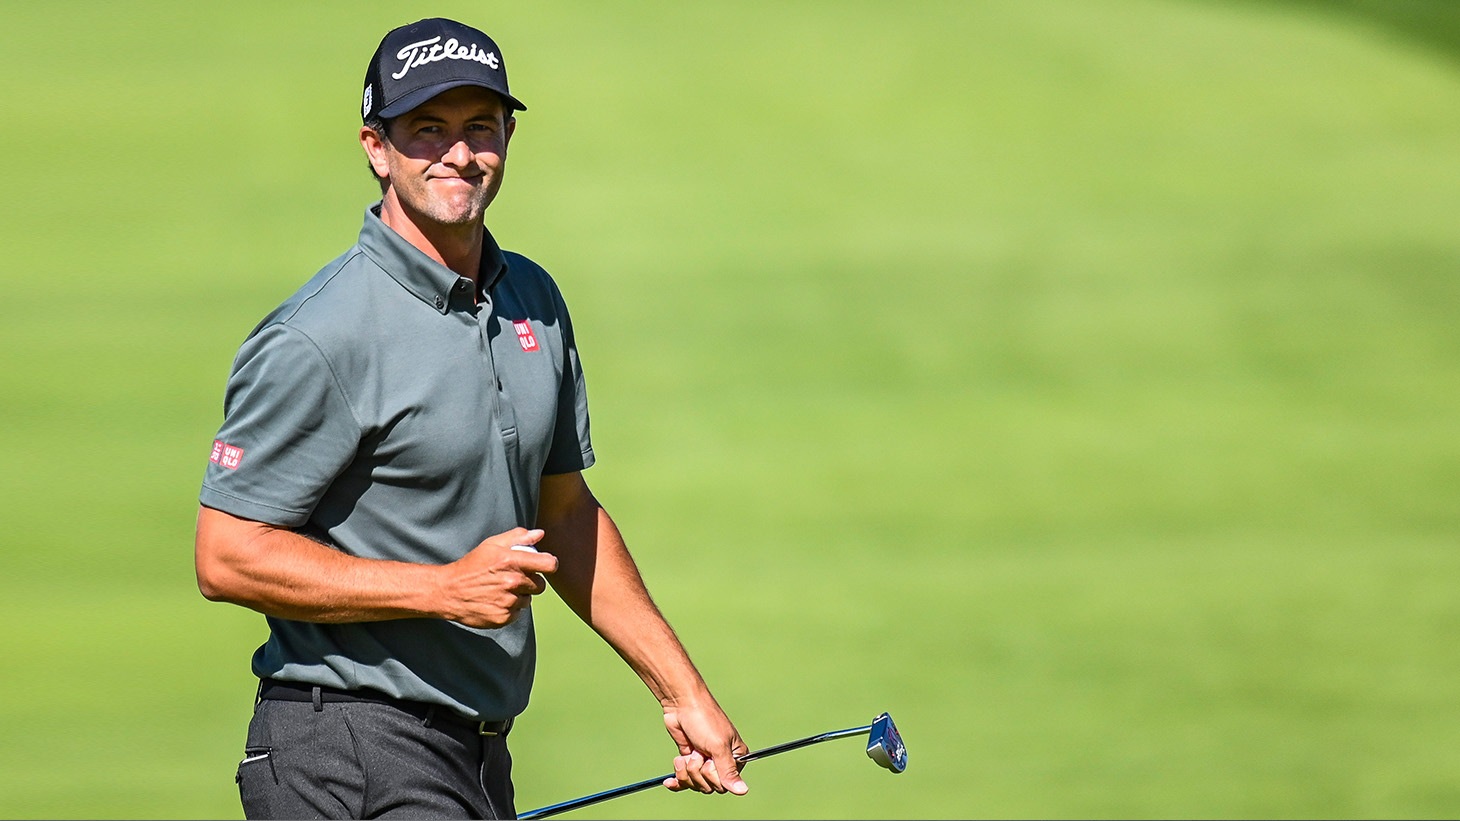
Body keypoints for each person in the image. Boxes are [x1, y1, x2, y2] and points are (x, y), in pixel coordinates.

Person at [194, 17, 748, 819]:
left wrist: (684, 693)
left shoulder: (533, 301)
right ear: (376, 147)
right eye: (427, 130)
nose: (460, 153)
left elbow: (564, 514)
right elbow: (226, 556)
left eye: (479, 127)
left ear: (508, 136)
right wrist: (443, 588)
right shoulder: (321, 335)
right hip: (344, 747)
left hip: (476, 753)